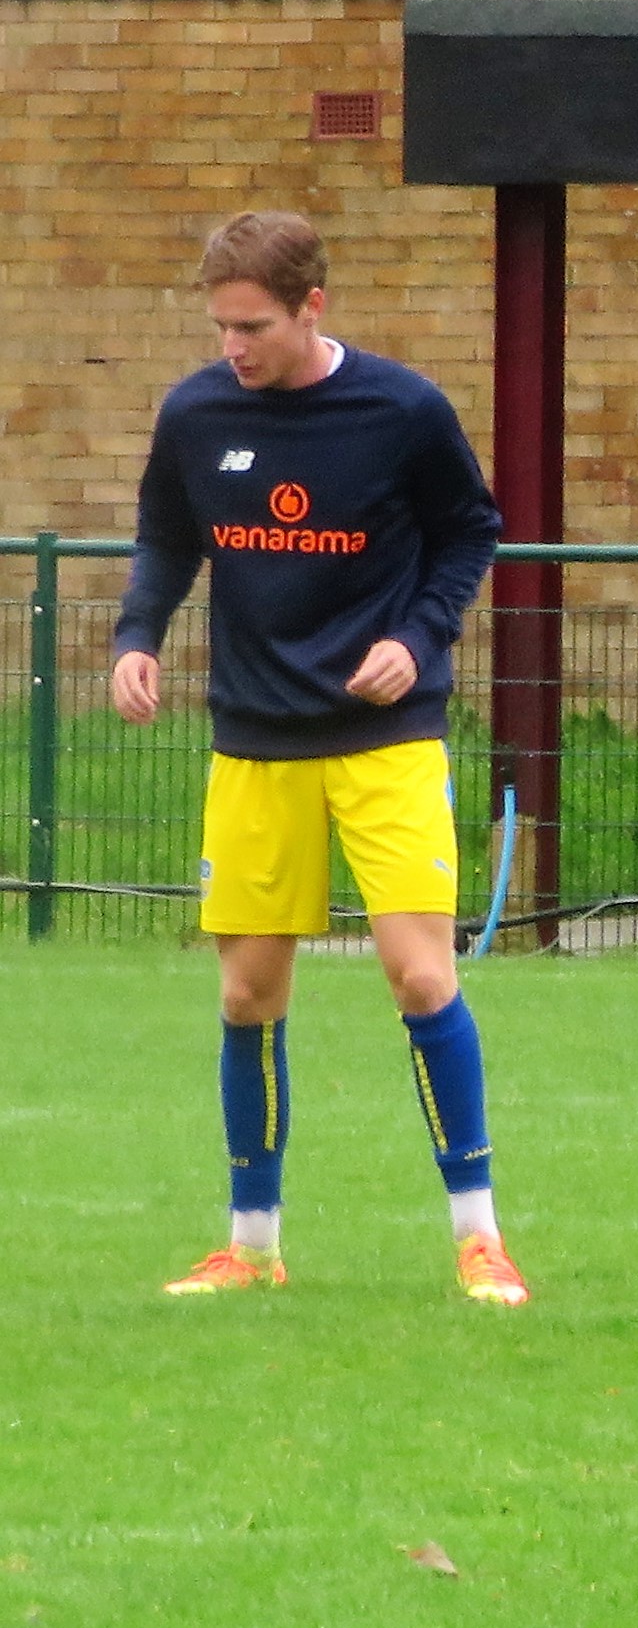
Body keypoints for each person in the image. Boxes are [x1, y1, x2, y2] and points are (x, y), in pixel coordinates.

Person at [112, 212, 522, 1306]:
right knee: (247, 995)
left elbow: (469, 529)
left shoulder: (402, 409)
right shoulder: (196, 413)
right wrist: (137, 635)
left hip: (387, 735)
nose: (233, 347)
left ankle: (480, 1241)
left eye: (252, 326)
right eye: (221, 326)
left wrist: (417, 637)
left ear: (313, 308)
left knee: (421, 975)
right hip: (254, 739)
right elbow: (167, 537)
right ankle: (251, 1247)